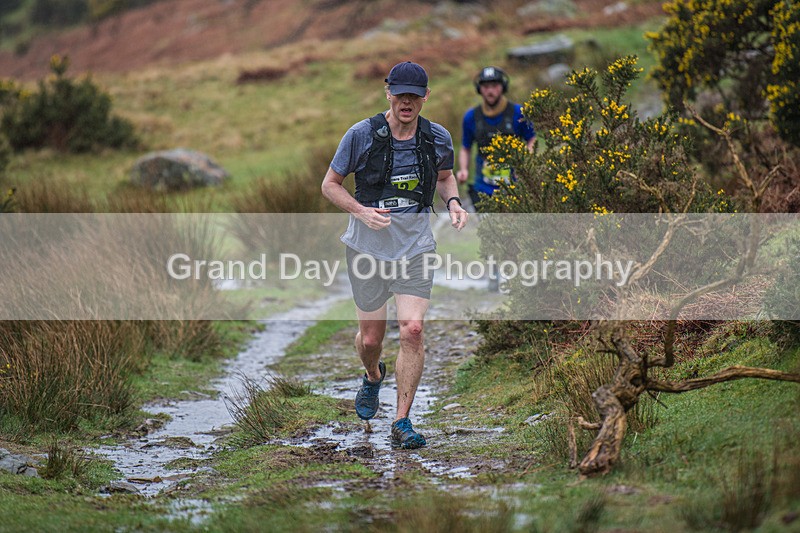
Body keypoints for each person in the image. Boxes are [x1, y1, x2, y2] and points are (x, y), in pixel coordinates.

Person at [321, 61, 468, 450]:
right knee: (371, 338)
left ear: (425, 97)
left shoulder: (437, 137)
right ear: (388, 93)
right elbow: (330, 185)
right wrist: (361, 212)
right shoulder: (361, 135)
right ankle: (373, 375)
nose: (406, 102)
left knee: (413, 329)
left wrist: (453, 202)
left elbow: (445, 177)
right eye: (400, 94)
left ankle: (401, 421)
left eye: (414, 96)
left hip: (415, 248)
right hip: (366, 249)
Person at [456, 66, 536, 210]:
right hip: (483, 188)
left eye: (494, 86)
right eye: (486, 86)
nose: (490, 91)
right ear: (479, 89)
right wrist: (463, 169)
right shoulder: (471, 117)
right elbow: (465, 148)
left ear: (503, 87)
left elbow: (532, 140)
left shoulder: (518, 113)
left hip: (515, 187)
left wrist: (526, 164)